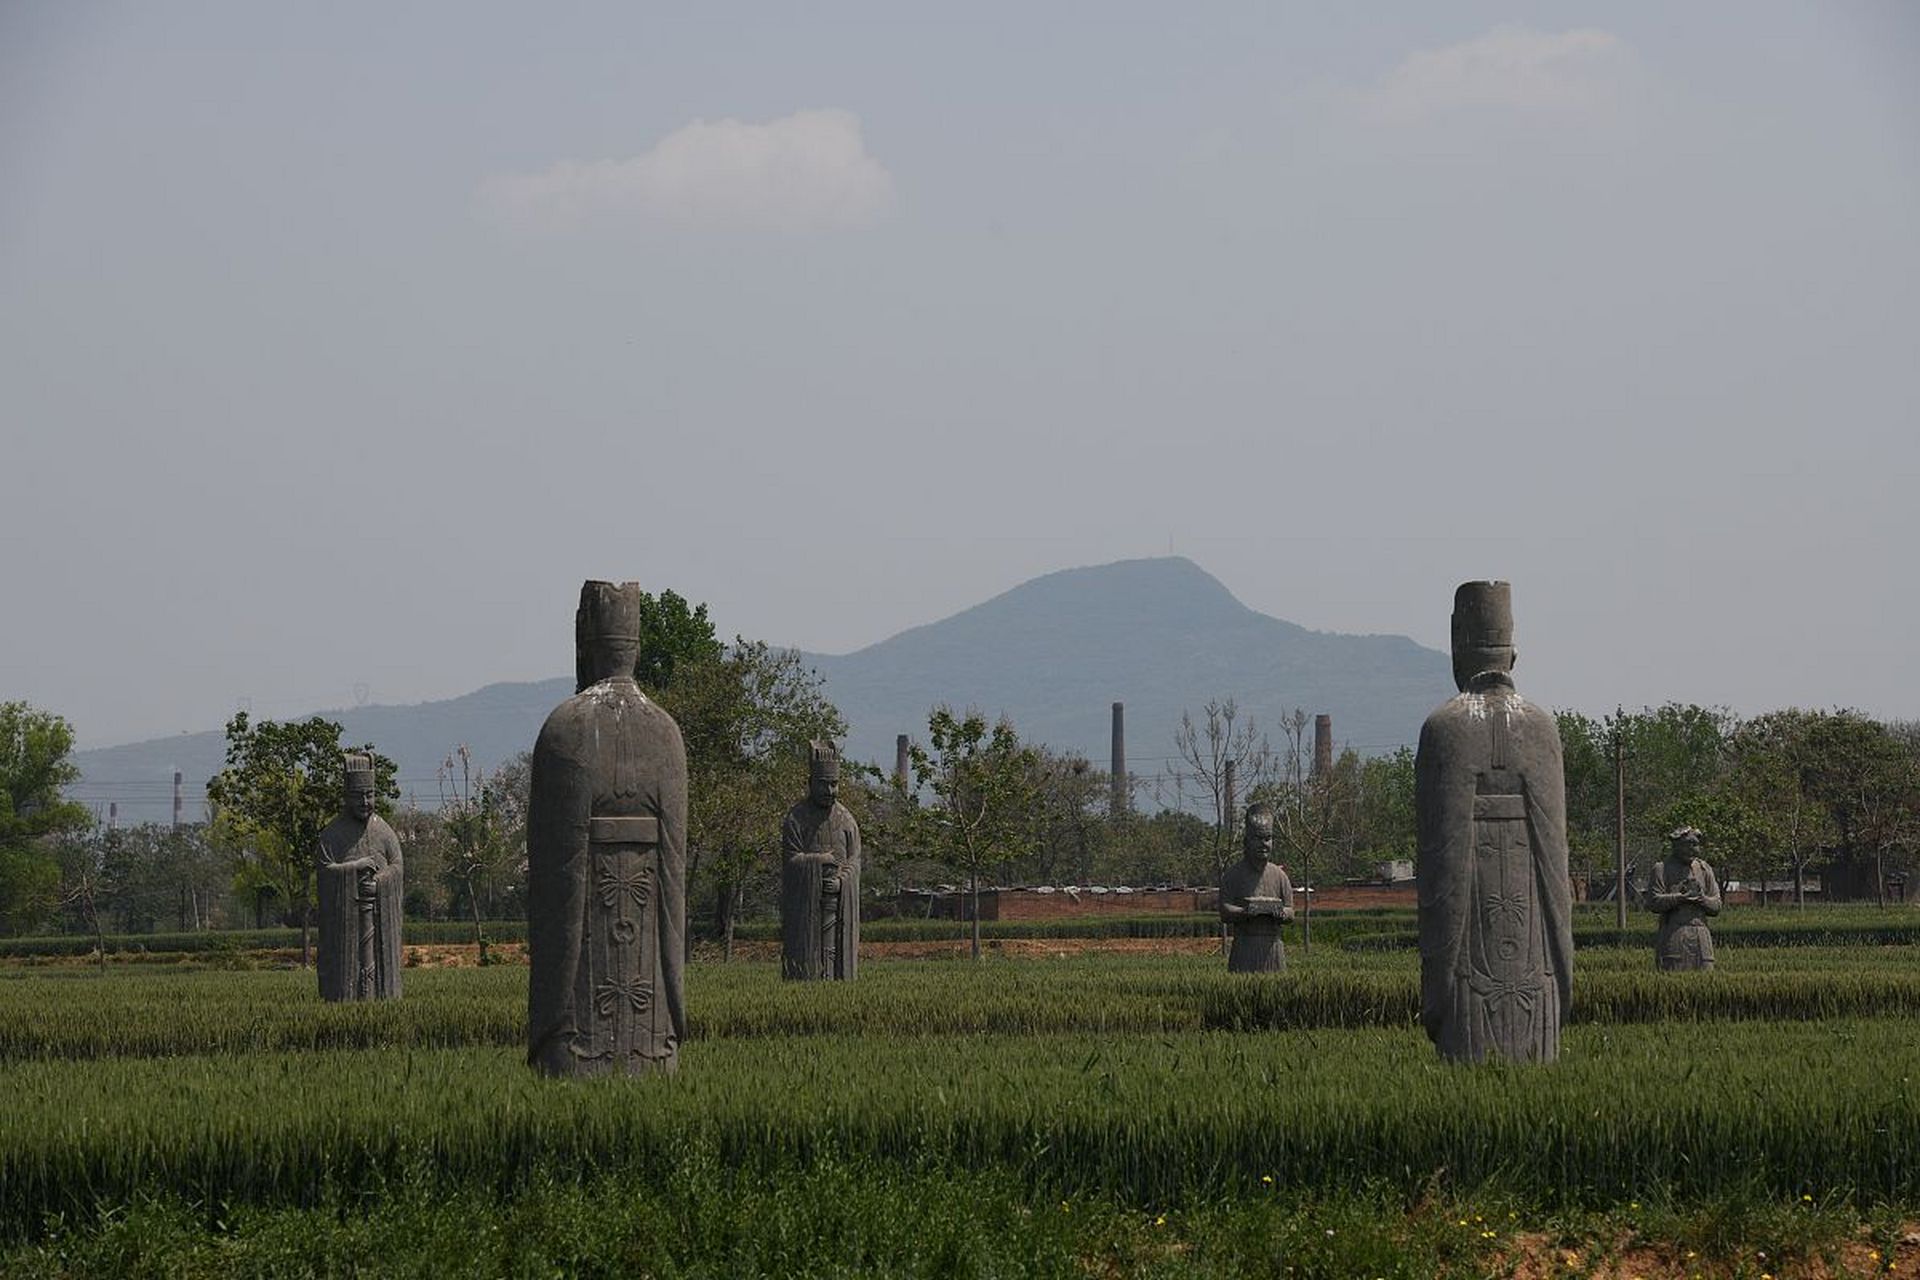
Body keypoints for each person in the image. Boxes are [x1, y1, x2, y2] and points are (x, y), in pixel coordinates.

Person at [527, 581, 688, 1077]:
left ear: (584, 645)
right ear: (636, 648)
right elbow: (675, 869)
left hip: (588, 941)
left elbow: (555, 864)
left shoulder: (564, 727)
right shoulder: (666, 731)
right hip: (648, 939)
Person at [1416, 581, 1573, 1063]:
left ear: (1456, 649)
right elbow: (1556, 860)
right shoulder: (1542, 726)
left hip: (1471, 948)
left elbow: (1440, 859)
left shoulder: (1444, 728)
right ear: (1513, 655)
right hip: (1535, 953)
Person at [314, 752, 403, 1001]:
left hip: (378, 917)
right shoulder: (332, 835)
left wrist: (379, 882)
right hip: (346, 929)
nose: (365, 802)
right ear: (346, 797)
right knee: (346, 985)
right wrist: (356, 867)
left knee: (381, 989)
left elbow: (397, 866)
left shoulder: (383, 831)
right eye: (358, 796)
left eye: (370, 795)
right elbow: (325, 870)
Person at [781, 741, 862, 980]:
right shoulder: (796, 818)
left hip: (837, 907)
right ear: (810, 783)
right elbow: (791, 860)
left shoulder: (847, 820)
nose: (830, 791)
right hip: (807, 911)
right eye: (824, 785)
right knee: (808, 970)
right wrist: (819, 861)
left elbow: (855, 861)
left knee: (834, 964)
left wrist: (842, 882)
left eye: (834, 784)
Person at [1218, 801, 1294, 972]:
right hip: (1245, 947)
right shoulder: (1233, 875)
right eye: (1257, 839)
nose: (1263, 844)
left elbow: (1290, 911)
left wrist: (1281, 913)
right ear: (1246, 841)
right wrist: (1244, 912)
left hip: (1273, 948)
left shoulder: (1280, 876)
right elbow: (1224, 910)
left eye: (1268, 838)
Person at [1645, 826, 1721, 971]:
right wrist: (1680, 898)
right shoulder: (1661, 869)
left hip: (1700, 933)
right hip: (1674, 933)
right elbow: (1654, 902)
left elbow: (1716, 905)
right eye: (1687, 845)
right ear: (1676, 846)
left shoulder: (1705, 869)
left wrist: (1701, 899)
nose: (1692, 849)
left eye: (1695, 845)